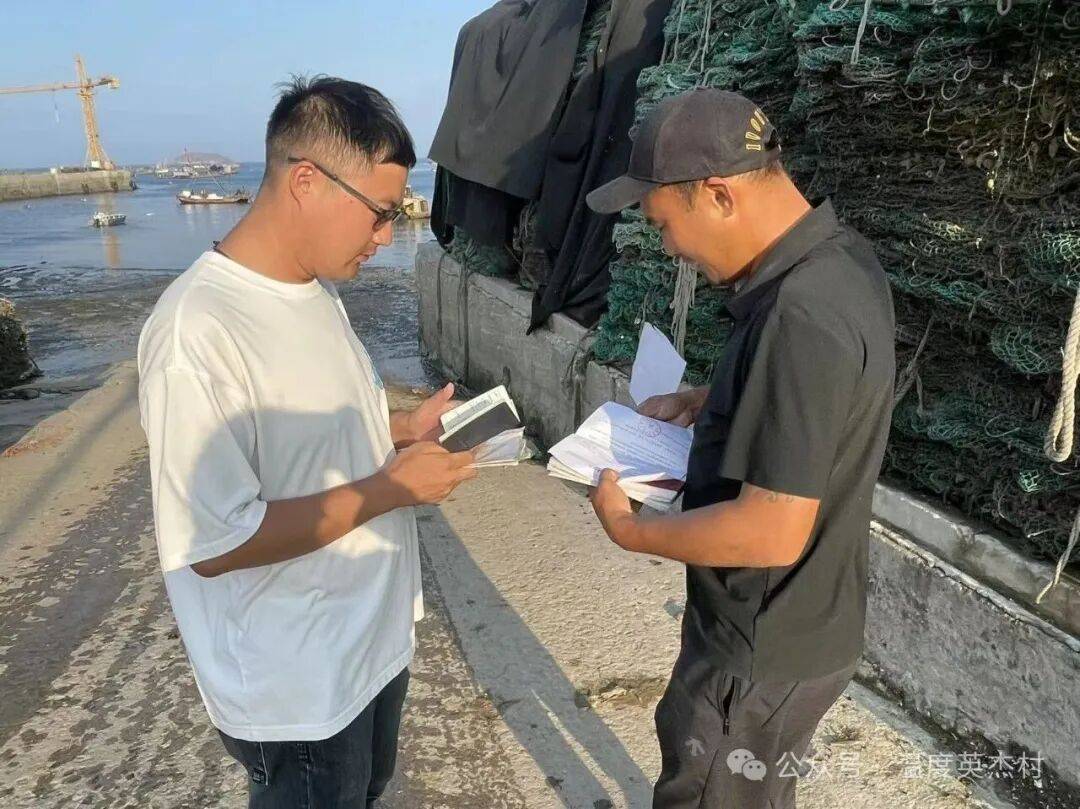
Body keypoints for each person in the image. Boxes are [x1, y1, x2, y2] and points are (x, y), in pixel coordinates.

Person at [137, 77, 476, 807]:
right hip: (298, 687)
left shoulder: (314, 292)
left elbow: (302, 435)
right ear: (305, 182)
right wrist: (391, 488)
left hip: (369, 646)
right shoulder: (197, 332)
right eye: (380, 214)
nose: (386, 237)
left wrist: (401, 430)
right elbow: (215, 541)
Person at [585, 88, 896, 808]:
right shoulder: (840, 261)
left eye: (664, 224)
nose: (670, 249)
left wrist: (633, 530)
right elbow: (826, 402)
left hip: (759, 644)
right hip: (804, 623)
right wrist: (717, 400)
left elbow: (770, 529)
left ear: (718, 195)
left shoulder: (800, 313)